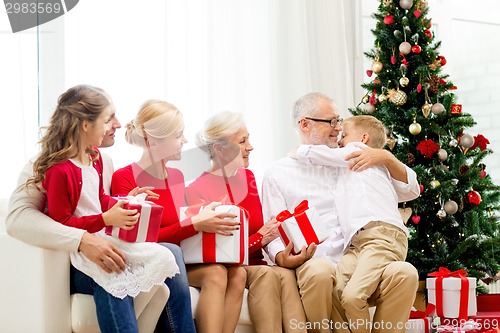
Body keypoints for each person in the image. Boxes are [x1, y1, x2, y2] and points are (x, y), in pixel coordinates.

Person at [5, 85, 193, 333]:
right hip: (71, 259)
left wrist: (124, 201)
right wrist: (83, 240)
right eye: (109, 117)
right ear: (85, 124)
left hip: (98, 240)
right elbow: (18, 218)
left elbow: (96, 201)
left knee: (169, 253)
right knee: (113, 269)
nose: (118, 124)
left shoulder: (101, 160)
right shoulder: (48, 165)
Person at [262, 92, 420, 333]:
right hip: (317, 259)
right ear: (305, 124)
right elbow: (272, 227)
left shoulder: (357, 158)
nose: (338, 128)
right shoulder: (278, 172)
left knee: (405, 273)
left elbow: (410, 188)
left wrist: (386, 157)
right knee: (322, 272)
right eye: (332, 122)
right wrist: (280, 257)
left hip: (359, 253)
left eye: (339, 121)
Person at [111, 100, 245, 333]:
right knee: (215, 274)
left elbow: (180, 225)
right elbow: (140, 242)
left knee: (236, 272)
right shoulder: (124, 178)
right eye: (178, 136)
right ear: (154, 142)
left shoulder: (175, 176)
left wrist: (202, 213)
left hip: (179, 258)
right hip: (149, 260)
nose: (184, 141)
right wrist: (195, 223)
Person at [184, 111, 307, 333]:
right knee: (267, 274)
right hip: (233, 266)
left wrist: (277, 246)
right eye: (242, 141)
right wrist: (261, 237)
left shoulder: (247, 177)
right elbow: (221, 253)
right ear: (219, 149)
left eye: (248, 138)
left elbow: (263, 230)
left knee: (286, 275)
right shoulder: (195, 190)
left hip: (255, 261)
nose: (250, 147)